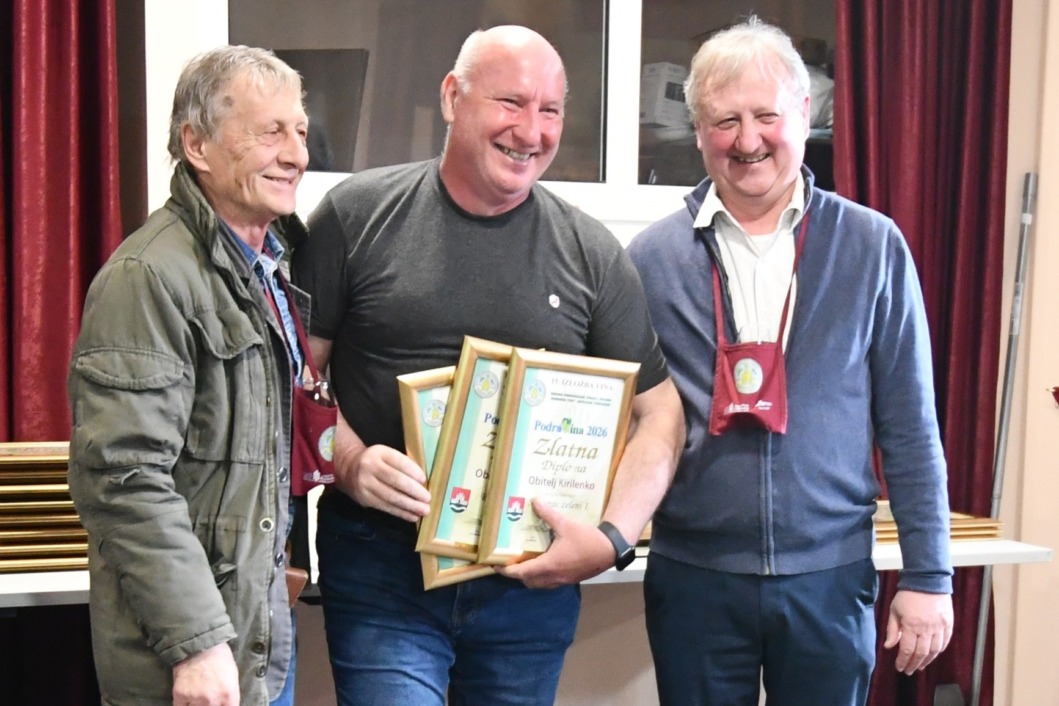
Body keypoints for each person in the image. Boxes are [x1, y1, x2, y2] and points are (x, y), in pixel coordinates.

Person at [292, 24, 685, 706]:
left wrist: (610, 539)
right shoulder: (356, 216)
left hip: (530, 582)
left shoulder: (591, 253)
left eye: (550, 110)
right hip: (383, 568)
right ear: (453, 96)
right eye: (511, 102)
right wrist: (348, 460)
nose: (531, 131)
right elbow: (294, 375)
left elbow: (661, 414)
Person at [627, 17, 954, 706]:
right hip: (693, 579)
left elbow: (909, 425)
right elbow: (621, 417)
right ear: (698, 132)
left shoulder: (871, 246)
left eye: (765, 116)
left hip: (829, 579)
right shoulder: (650, 260)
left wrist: (929, 576)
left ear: (804, 114)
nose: (747, 140)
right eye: (725, 121)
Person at [67, 45, 310, 706]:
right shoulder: (147, 277)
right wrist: (198, 644)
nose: (296, 154)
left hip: (258, 639)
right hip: (185, 659)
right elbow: (124, 480)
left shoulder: (272, 267)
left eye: (300, 131)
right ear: (196, 145)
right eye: (270, 133)